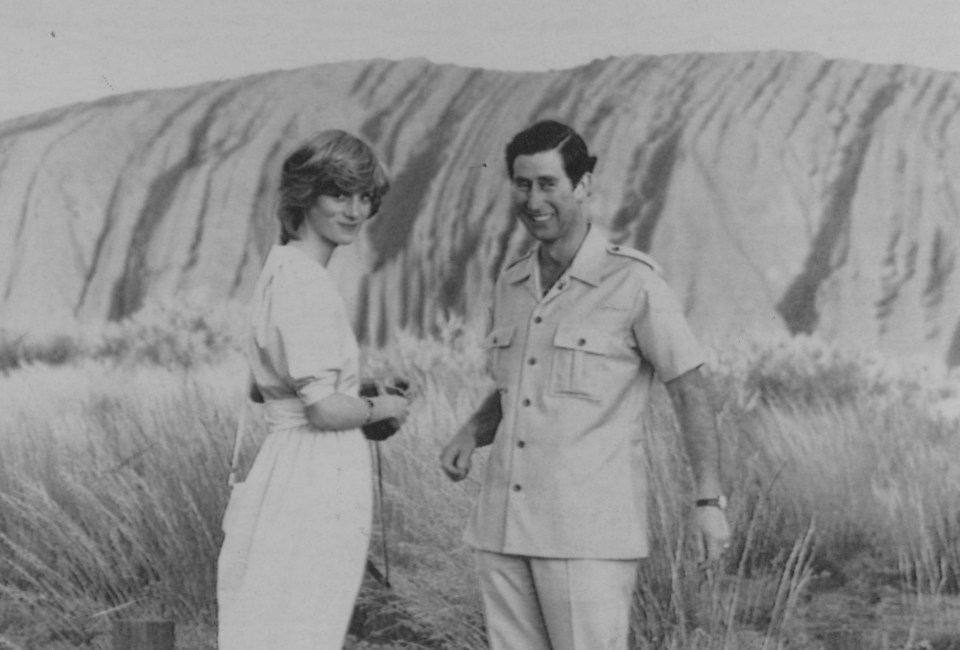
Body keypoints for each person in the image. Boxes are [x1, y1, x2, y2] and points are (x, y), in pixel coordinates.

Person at [440, 120, 731, 650]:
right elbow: (519, 386)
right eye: (522, 184)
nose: (533, 200)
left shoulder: (633, 282)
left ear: (583, 185)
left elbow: (690, 390)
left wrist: (708, 501)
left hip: (586, 533)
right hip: (502, 526)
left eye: (548, 184)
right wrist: (470, 430)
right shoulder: (511, 282)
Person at [217, 130, 412, 650]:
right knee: (302, 623)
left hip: (293, 464)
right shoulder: (305, 280)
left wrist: (357, 389)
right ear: (305, 196)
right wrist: (382, 405)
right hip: (313, 472)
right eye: (339, 194)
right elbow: (324, 410)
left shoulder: (282, 268)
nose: (354, 210)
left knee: (281, 618)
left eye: (364, 196)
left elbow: (272, 389)